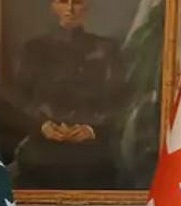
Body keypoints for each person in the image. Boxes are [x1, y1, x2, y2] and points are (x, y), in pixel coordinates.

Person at [9, 0, 128, 189]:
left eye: (77, 2)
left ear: (86, 5)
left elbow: (121, 100)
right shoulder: (34, 48)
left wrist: (92, 129)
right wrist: (42, 125)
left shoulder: (107, 49)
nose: (70, 9)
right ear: (53, 6)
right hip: (43, 147)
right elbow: (20, 97)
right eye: (63, 2)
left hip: (94, 149)